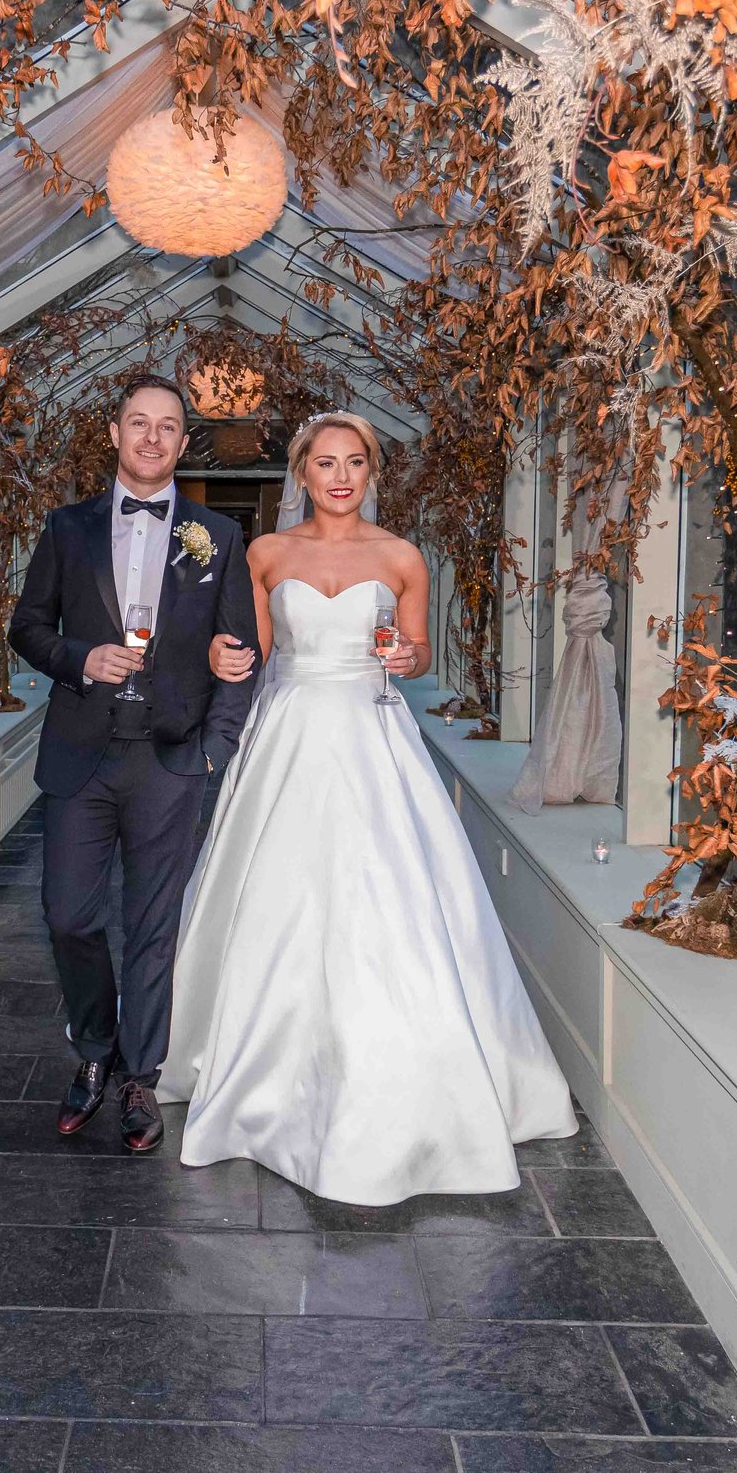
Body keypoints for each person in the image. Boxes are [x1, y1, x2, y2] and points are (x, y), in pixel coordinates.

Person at [164, 411, 577, 1203]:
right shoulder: (265, 553)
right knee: (278, 902)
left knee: (389, 902)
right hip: (286, 738)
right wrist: (216, 656)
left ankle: (412, 1080)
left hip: (371, 735)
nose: (342, 475)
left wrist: (406, 653)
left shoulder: (400, 556)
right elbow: (244, 657)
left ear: (371, 472)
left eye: (356, 462)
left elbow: (416, 651)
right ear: (302, 472)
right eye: (326, 462)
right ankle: (260, 1070)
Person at [7, 375, 257, 1153]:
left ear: (184, 444)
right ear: (114, 434)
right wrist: (83, 658)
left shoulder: (219, 535)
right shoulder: (67, 528)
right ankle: (93, 1046)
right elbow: (26, 627)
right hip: (81, 754)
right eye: (138, 423)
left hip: (171, 760)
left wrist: (215, 749)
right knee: (69, 916)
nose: (151, 438)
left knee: (153, 928)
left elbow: (240, 652)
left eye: (168, 427)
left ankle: (138, 1073)